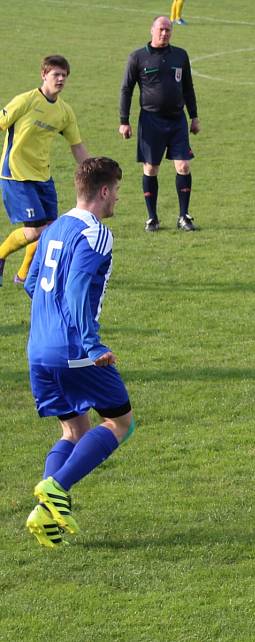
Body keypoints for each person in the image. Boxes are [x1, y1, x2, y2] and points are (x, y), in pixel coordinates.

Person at [23, 157, 134, 548]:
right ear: (104, 191)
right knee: (121, 423)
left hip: (38, 349)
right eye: (117, 190)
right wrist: (91, 343)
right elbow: (77, 287)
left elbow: (31, 283)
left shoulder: (53, 229)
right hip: (74, 349)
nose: (118, 198)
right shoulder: (96, 234)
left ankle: (45, 513)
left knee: (73, 429)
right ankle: (57, 486)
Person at [0, 55, 89, 288]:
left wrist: (93, 172)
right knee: (34, 232)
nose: (60, 79)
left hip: (43, 175)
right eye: (55, 75)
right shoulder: (26, 100)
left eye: (64, 76)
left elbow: (77, 145)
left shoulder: (64, 112)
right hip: (16, 174)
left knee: (48, 230)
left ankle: (23, 275)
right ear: (43, 75)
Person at [119, 15, 200, 232]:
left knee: (183, 165)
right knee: (151, 168)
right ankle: (152, 218)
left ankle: (184, 216)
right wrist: (124, 121)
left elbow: (188, 87)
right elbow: (127, 89)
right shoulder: (137, 57)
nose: (164, 33)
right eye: (161, 29)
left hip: (177, 120)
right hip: (151, 120)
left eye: (168, 30)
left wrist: (194, 116)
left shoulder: (180, 56)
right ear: (152, 30)